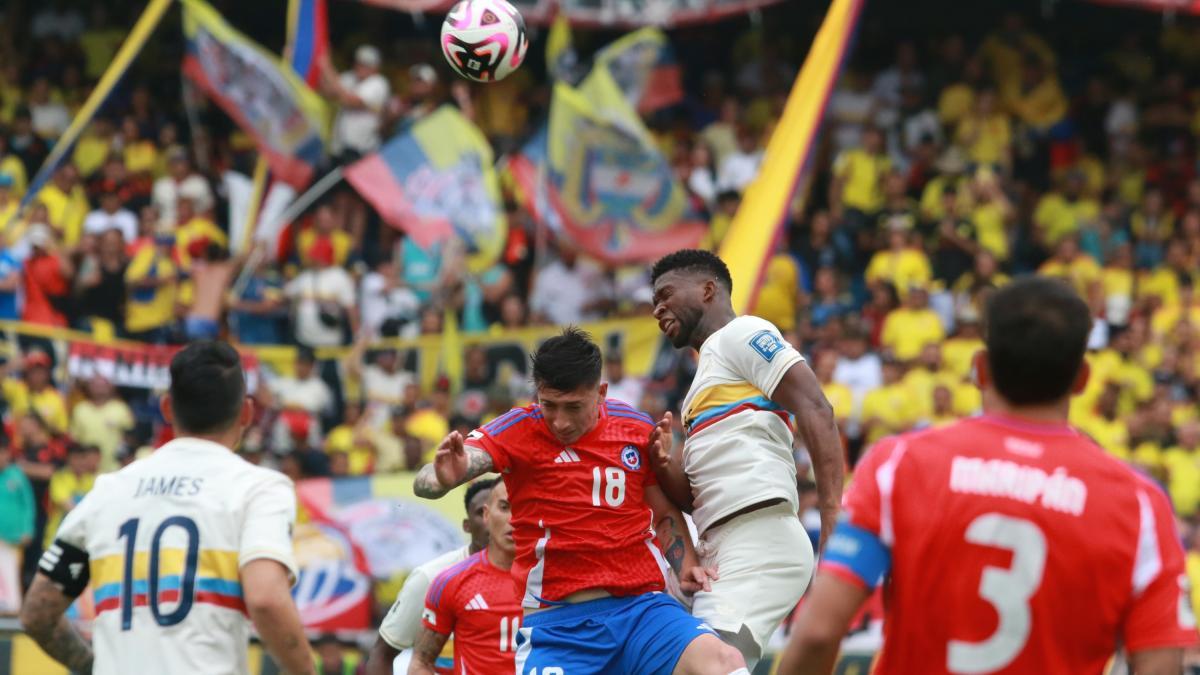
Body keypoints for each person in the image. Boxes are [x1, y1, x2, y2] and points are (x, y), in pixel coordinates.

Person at [778, 277, 1200, 675]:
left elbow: (818, 632)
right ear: (1083, 379)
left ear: (979, 368)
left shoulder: (899, 466)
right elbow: (1160, 665)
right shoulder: (1139, 504)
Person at [412, 328, 747, 675]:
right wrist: (441, 478)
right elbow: (430, 480)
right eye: (549, 406)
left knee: (724, 663)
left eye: (573, 407)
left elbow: (662, 515)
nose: (560, 421)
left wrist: (686, 564)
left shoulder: (633, 426)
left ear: (600, 392)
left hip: (643, 613)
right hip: (558, 628)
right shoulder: (516, 430)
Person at [19, 341, 315, 675]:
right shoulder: (258, 488)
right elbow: (266, 598)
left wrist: (93, 667)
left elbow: (37, 613)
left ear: (167, 408)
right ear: (245, 412)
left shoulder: (109, 489)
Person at [648, 249, 844, 668]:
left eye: (665, 295)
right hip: (723, 542)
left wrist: (832, 521)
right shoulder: (702, 383)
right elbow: (695, 498)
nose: (658, 309)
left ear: (707, 290)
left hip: (759, 537)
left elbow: (816, 408)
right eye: (653, 304)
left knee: (707, 664)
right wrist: (665, 465)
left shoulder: (742, 333)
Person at [367, 478, 496, 675]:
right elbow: (382, 654)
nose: (491, 520)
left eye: (501, 509)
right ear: (467, 525)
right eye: (481, 512)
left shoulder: (532, 576)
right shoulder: (431, 577)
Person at [410, 481, 521, 674]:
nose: (512, 519)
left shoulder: (556, 582)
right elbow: (420, 663)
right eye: (504, 508)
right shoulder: (450, 582)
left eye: (521, 508)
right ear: (487, 514)